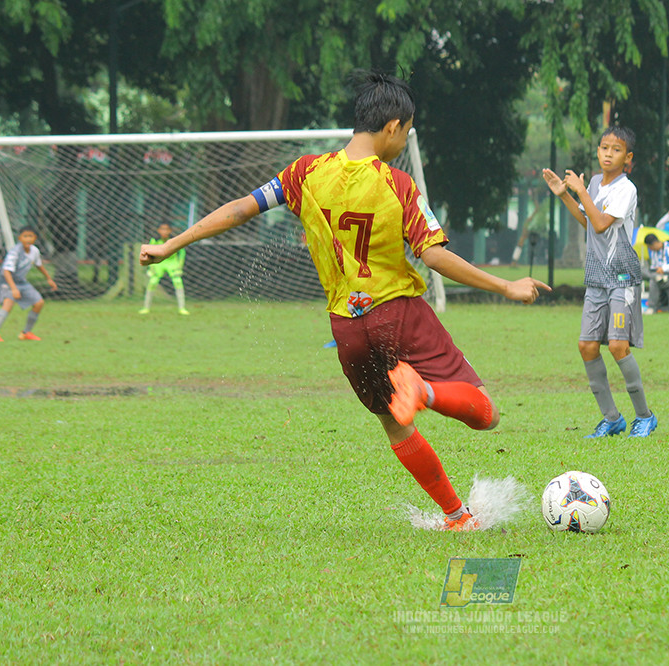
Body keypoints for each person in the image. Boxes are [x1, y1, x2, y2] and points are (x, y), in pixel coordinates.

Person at [140, 71, 549, 532]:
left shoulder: (304, 173)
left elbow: (240, 208)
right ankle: (426, 392)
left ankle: (456, 516)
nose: (405, 140)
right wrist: (505, 285)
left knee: (396, 425)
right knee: (486, 412)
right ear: (393, 126)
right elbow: (433, 255)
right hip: (399, 314)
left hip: (347, 329)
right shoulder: (397, 184)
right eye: (408, 131)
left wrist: (173, 243)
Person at [541, 125, 659, 439]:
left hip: (622, 279)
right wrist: (565, 194)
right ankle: (612, 418)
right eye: (604, 147)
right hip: (596, 279)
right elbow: (587, 221)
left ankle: (645, 416)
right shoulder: (593, 183)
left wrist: (579, 191)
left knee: (619, 346)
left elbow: (602, 224)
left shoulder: (626, 189)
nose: (608, 154)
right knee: (587, 346)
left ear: (628, 157)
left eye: (616, 149)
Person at [0, 226, 57, 342]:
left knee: (39, 303)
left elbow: (39, 265)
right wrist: (13, 288)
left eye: (30, 236)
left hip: (21, 282)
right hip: (8, 282)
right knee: (8, 303)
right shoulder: (15, 252)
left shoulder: (34, 251)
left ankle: (26, 333)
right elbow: (6, 271)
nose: (28, 239)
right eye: (25, 236)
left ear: (35, 238)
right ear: (19, 238)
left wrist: (49, 278)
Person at [139, 222, 189, 315]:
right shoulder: (154, 240)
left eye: (166, 229)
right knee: (152, 282)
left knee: (178, 282)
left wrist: (179, 265)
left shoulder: (174, 239)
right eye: (162, 229)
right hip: (159, 263)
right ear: (158, 230)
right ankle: (146, 307)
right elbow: (150, 252)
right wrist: (152, 266)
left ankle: (182, 308)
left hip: (172, 262)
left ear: (170, 231)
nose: (164, 231)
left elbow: (182, 252)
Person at [644, 233, 669, 315]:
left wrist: (664, 268)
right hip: (657, 275)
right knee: (640, 272)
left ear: (654, 244)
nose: (650, 249)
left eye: (649, 247)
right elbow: (654, 265)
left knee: (653, 281)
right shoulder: (653, 252)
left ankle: (651, 307)